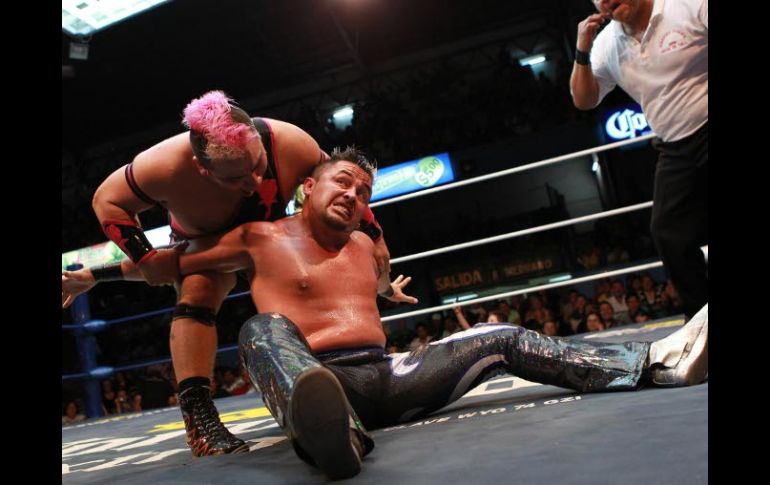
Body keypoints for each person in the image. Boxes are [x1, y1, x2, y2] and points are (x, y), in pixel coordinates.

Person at [63, 148, 708, 480]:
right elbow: (171, 263)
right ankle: (332, 436)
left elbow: (367, 281)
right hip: (316, 380)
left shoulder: (367, 244)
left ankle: (653, 364)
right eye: (343, 182)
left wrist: (384, 288)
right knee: (259, 328)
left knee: (503, 334)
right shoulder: (257, 239)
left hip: (392, 375)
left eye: (364, 191)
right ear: (308, 186)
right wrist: (94, 273)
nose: (353, 195)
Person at [87, 91, 391, 456]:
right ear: (203, 168)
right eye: (235, 179)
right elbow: (107, 199)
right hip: (203, 240)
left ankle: (331, 384)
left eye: (258, 166)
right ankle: (199, 417)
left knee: (316, 282)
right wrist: (145, 255)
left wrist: (375, 234)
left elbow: (340, 182)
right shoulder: (164, 166)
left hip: (276, 232)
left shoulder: (288, 141)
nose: (252, 183)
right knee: (196, 292)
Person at [570, 0, 708, 320]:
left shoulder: (685, 5)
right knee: (668, 234)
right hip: (674, 147)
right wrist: (581, 49)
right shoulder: (607, 44)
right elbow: (584, 99)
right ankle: (702, 322)